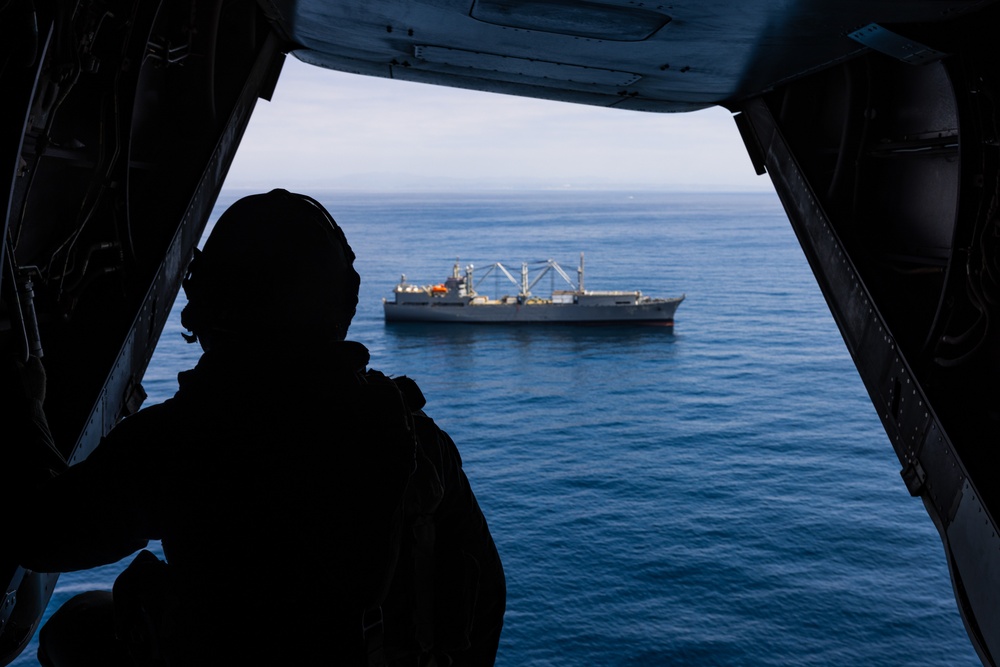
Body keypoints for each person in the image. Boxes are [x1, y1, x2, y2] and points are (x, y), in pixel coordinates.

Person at [12, 190, 505, 666]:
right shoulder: (415, 433)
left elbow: (41, 532)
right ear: (342, 304)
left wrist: (28, 404)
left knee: (74, 630)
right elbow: (486, 595)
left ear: (209, 306)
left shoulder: (185, 439)